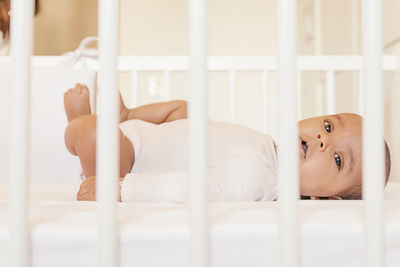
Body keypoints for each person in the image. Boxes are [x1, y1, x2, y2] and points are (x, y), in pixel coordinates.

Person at [64, 83, 391, 202]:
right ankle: (127, 115)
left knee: (91, 132)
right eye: (329, 125)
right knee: (186, 110)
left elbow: (190, 188)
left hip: (133, 161)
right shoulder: (268, 151)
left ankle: (83, 132)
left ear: (324, 198)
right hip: (150, 136)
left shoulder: (259, 178)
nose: (323, 140)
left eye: (337, 160)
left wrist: (122, 189)